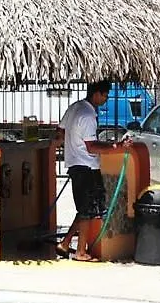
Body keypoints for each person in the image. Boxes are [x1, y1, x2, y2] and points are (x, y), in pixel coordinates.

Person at [52, 80, 130, 261]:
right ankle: (80, 252)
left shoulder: (74, 107)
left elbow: (60, 132)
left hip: (75, 164)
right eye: (105, 95)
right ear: (96, 94)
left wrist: (70, 147)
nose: (106, 99)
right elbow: (92, 147)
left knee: (85, 209)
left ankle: (66, 243)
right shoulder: (87, 116)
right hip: (87, 167)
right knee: (88, 211)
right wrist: (116, 146)